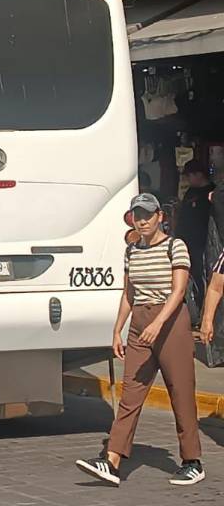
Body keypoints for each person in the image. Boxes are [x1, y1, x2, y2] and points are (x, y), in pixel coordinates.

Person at [76, 193, 204, 487]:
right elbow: (129, 293)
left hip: (170, 322)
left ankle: (192, 461)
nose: (142, 221)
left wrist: (158, 324)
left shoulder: (175, 246)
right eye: (137, 215)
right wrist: (117, 329)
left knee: (180, 391)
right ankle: (112, 460)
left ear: (160, 216)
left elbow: (178, 291)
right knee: (130, 393)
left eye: (148, 214)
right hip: (140, 323)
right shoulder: (132, 251)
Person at [175, 160, 215, 311]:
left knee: (203, 275)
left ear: (199, 174)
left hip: (203, 243)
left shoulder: (212, 192)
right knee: (189, 275)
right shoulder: (190, 192)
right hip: (185, 242)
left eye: (189, 176)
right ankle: (195, 308)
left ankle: (205, 309)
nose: (187, 180)